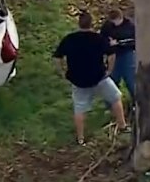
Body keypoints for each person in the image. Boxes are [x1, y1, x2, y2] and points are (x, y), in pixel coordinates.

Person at [53, 11, 129, 145]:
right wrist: (109, 70)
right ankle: (122, 125)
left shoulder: (69, 39)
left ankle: (81, 138)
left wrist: (61, 72)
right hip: (99, 77)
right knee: (116, 97)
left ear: (79, 23)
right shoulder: (99, 39)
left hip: (78, 80)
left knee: (79, 109)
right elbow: (111, 54)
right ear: (91, 23)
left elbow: (57, 57)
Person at [100, 8, 136, 102]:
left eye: (115, 21)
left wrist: (119, 43)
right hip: (112, 55)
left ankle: (136, 103)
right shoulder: (107, 26)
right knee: (112, 80)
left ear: (121, 18)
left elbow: (135, 42)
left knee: (130, 81)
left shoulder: (130, 25)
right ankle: (112, 104)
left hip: (126, 55)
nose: (114, 24)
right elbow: (102, 38)